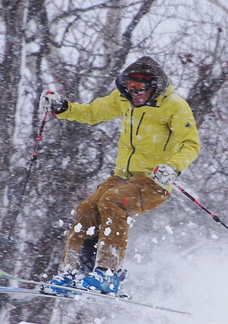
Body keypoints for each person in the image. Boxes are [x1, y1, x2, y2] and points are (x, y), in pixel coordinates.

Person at [38, 56, 200, 295]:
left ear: (154, 86)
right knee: (87, 208)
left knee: (111, 202)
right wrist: (64, 108)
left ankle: (109, 274)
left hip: (153, 182)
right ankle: (72, 274)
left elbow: (190, 144)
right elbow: (93, 113)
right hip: (122, 177)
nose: (133, 93)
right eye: (129, 87)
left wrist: (173, 168)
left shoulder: (174, 106)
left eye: (139, 88)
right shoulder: (124, 99)